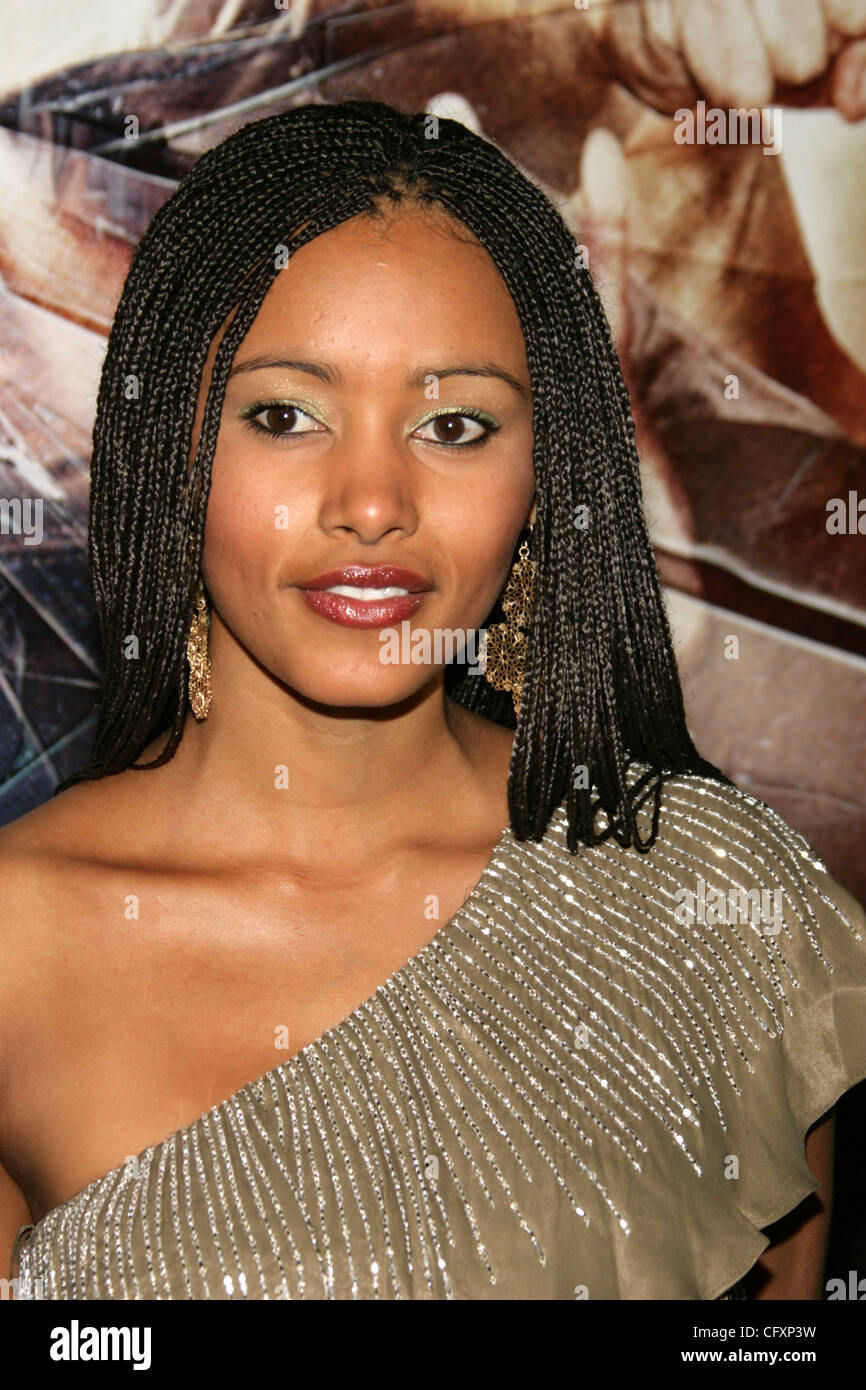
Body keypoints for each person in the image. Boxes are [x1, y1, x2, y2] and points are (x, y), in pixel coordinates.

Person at [1, 97, 864, 1302]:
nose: (370, 499)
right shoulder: (20, 941)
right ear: (170, 444)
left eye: (453, 423)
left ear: (544, 466)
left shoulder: (716, 911)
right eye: (284, 415)